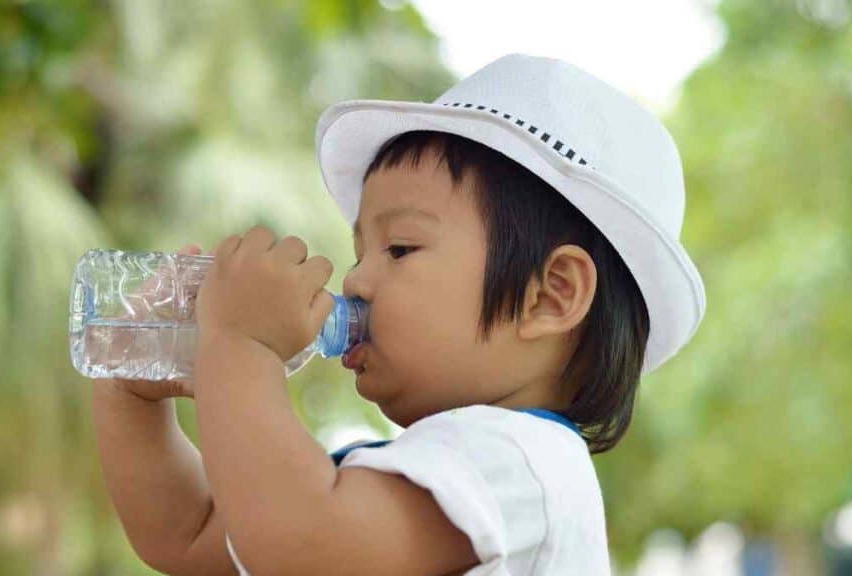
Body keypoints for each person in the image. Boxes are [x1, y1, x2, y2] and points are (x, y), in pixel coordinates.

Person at [92, 52, 707, 575]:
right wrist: (131, 396)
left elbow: (301, 543)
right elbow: (190, 534)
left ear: (549, 295)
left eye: (401, 248)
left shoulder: (528, 462)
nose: (356, 277)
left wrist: (240, 347)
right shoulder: (411, 473)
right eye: (361, 250)